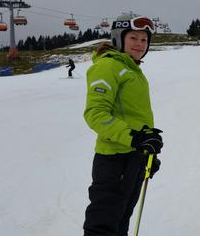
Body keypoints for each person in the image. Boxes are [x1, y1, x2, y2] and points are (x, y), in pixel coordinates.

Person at [83, 13, 164, 236]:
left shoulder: (132, 70)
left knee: (121, 221)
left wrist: (147, 152)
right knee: (102, 225)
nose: (140, 44)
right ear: (119, 39)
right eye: (133, 38)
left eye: (144, 40)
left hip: (133, 157)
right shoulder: (108, 66)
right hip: (113, 159)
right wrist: (135, 138)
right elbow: (96, 114)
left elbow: (134, 116)